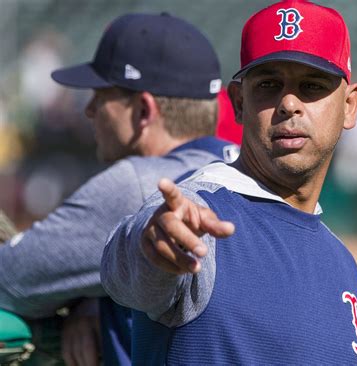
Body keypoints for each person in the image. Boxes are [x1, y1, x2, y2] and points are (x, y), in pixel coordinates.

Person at [101, 1, 357, 364]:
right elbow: (129, 270)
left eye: (311, 86)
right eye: (269, 85)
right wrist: (152, 245)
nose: (289, 103)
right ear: (239, 102)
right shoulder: (199, 213)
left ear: (350, 105)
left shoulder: (342, 261)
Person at [0, 13, 239, 366]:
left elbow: (10, 281)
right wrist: (100, 297)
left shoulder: (140, 184)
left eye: (101, 95)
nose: (91, 110)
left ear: (144, 110)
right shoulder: (248, 170)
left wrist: (80, 299)